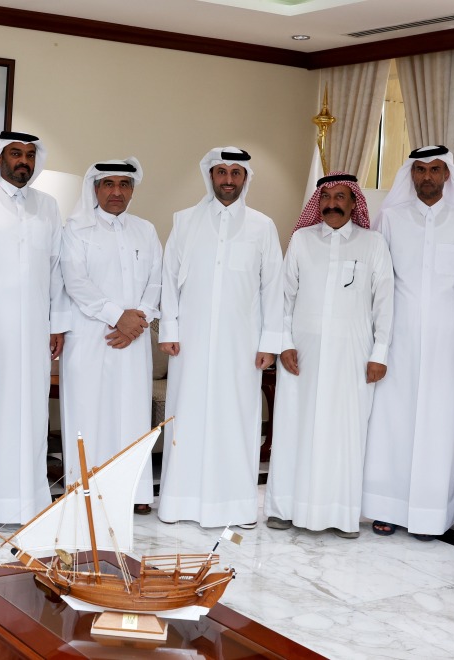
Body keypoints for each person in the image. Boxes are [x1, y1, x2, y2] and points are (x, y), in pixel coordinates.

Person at [362, 146, 454, 540]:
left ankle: (433, 514)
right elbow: (377, 282)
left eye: (435, 169)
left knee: (438, 422)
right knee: (391, 419)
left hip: (446, 339)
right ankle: (386, 507)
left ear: (447, 174)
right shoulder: (391, 218)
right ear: (411, 174)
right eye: (420, 170)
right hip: (396, 337)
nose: (427, 177)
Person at [158, 147, 284, 529]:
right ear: (209, 176)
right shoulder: (184, 221)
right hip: (190, 344)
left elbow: (273, 287)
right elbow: (168, 278)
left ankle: (236, 506)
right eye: (221, 172)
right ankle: (180, 503)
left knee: (238, 419)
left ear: (245, 179)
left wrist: (269, 344)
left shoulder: (263, 226)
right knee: (188, 417)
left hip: (242, 346)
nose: (228, 180)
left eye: (235, 173)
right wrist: (170, 330)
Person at [264, 173, 393, 539]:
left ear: (355, 203)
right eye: (326, 197)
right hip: (301, 354)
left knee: (344, 431)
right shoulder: (302, 241)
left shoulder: (373, 244)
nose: (333, 203)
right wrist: (284, 343)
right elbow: (284, 298)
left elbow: (384, 302)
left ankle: (339, 513)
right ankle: (283, 507)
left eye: (341, 197)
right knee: (294, 427)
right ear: (317, 203)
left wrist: (379, 353)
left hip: (354, 355)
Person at [0, 131, 67, 526]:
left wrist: (57, 324)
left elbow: (57, 269)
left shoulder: (48, 206)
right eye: (15, 154)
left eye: (29, 155)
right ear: (0, 159)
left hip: (36, 331)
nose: (23, 161)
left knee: (31, 415)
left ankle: (28, 500)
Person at [59, 158, 162, 514]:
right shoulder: (75, 229)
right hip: (90, 338)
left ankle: (133, 493)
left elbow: (156, 280)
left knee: (132, 413)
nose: (116, 192)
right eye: (108, 184)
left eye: (124, 184)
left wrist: (139, 319)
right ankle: (87, 494)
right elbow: (76, 281)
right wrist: (118, 317)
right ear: (95, 188)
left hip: (134, 340)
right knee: (89, 413)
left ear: (132, 189)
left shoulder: (145, 230)